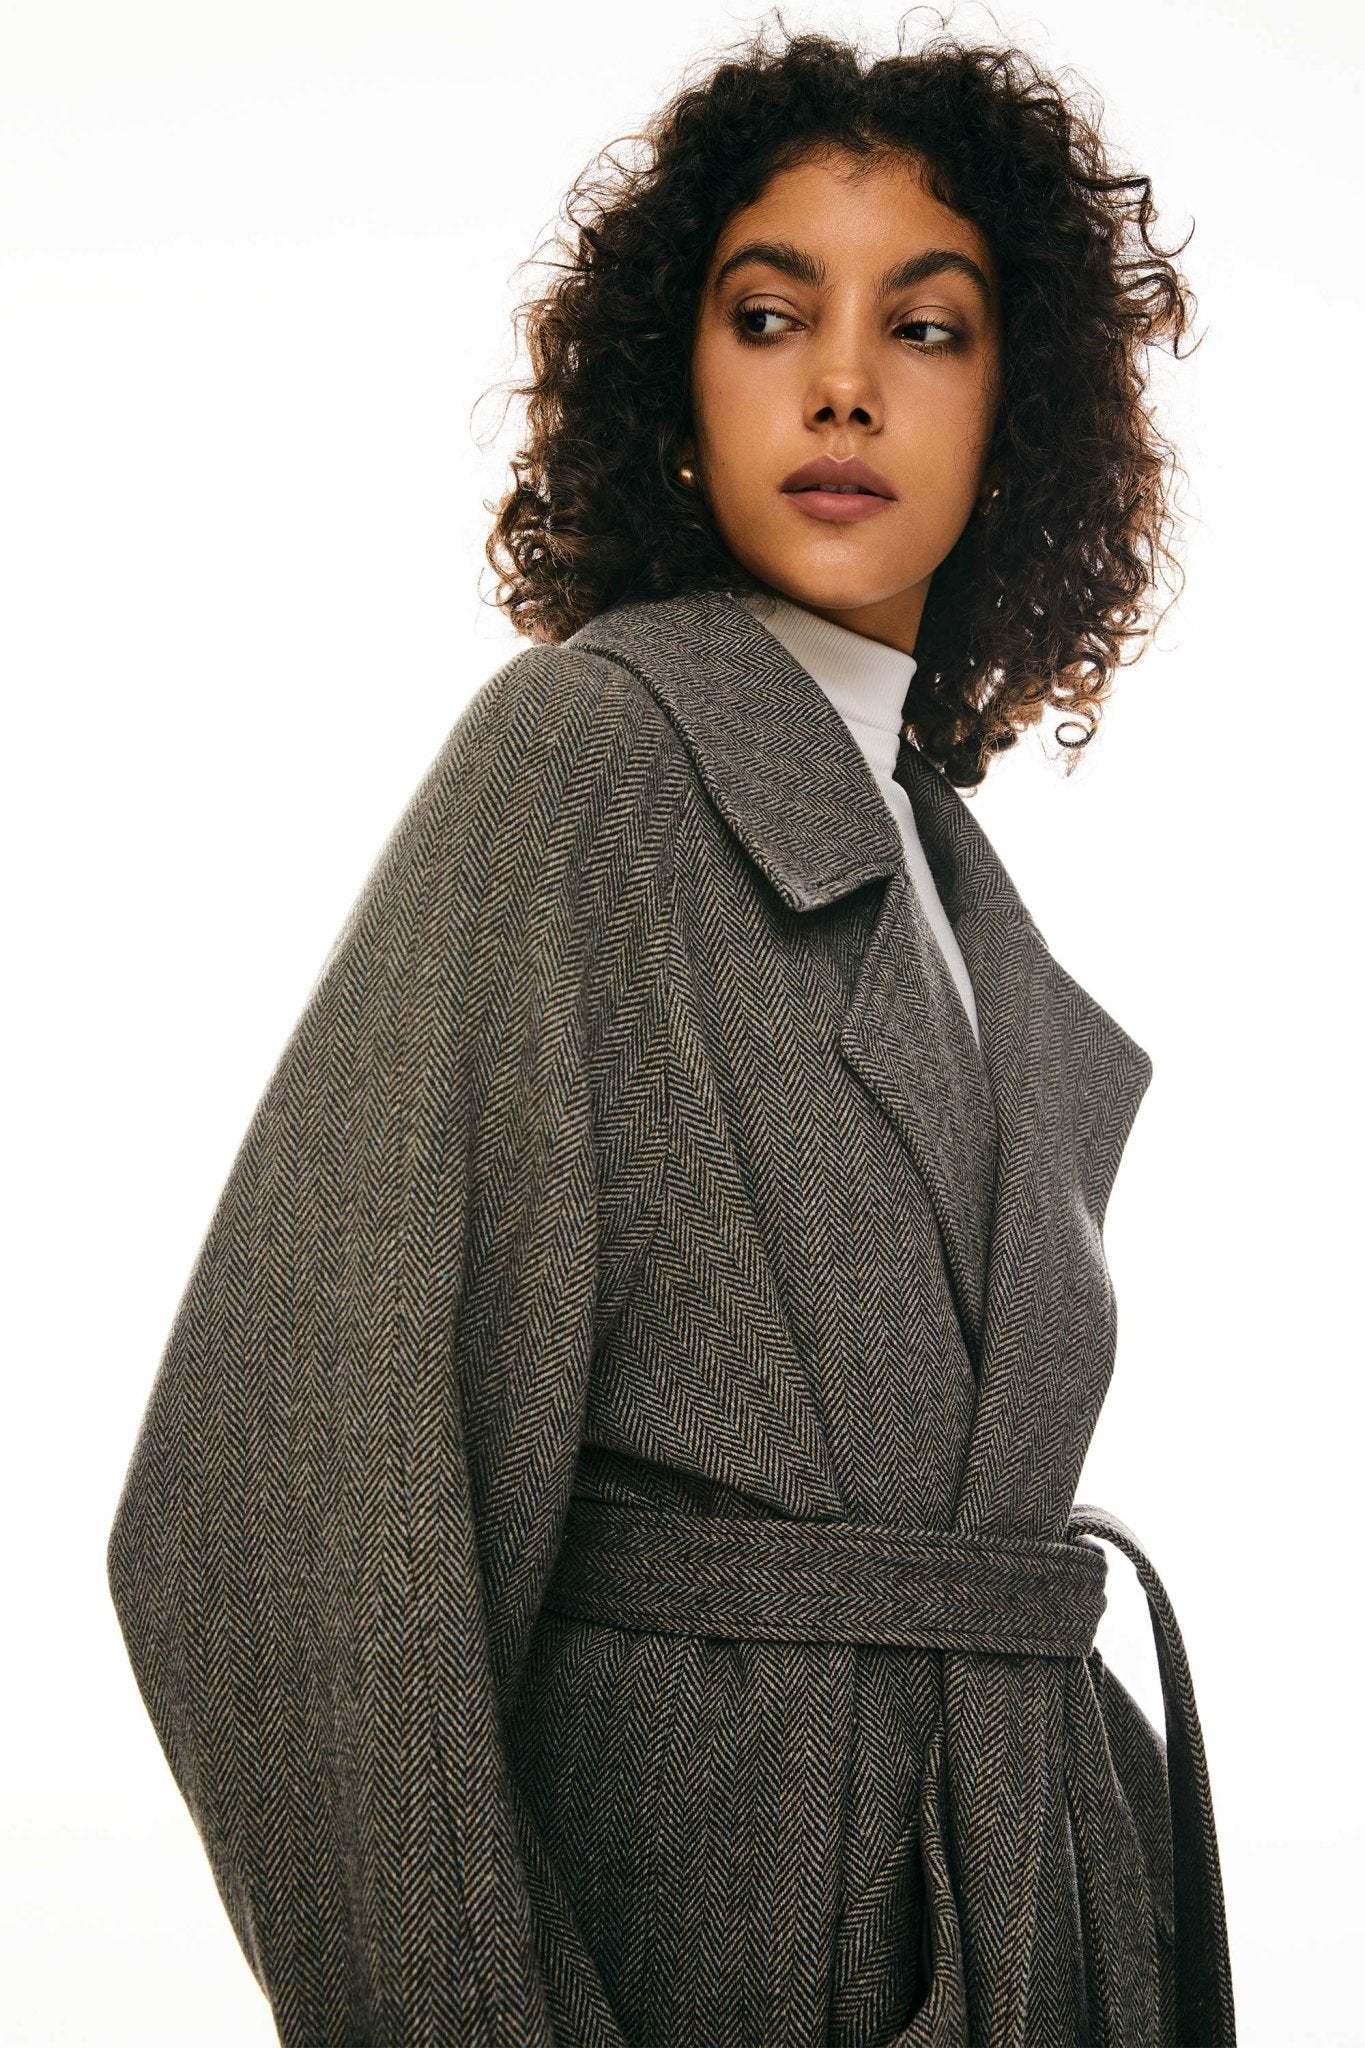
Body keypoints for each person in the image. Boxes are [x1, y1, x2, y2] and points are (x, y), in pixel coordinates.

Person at [107, 21, 1238, 2047]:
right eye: (768, 314)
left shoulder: (943, 866)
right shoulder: (585, 764)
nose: (840, 382)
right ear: (674, 387)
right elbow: (268, 1521)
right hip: (719, 1935)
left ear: (1020, 413)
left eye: (927, 328)